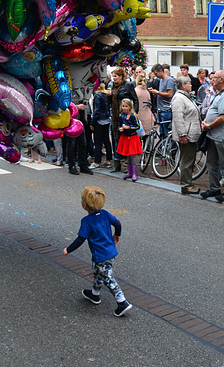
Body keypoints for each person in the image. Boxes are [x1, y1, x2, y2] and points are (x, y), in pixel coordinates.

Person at [63, 186, 132, 317]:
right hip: (110, 252)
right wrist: (117, 234)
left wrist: (68, 249)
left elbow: (80, 239)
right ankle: (95, 294)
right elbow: (117, 223)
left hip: (101, 256)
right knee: (98, 274)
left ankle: (122, 302)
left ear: (84, 205)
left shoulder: (87, 221)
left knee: (108, 278)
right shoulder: (105, 214)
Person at [201, 70, 224, 202]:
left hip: (222, 135)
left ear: (221, 79)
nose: (212, 80)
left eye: (214, 78)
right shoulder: (219, 94)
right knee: (212, 163)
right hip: (213, 135)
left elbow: (223, 117)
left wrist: (209, 126)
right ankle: (214, 187)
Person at [171, 76, 201, 195]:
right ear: (183, 85)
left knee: (189, 159)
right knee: (186, 160)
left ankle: (188, 183)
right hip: (187, 134)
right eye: (189, 83)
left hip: (190, 133)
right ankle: (186, 185)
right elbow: (178, 118)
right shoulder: (179, 98)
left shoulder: (185, 96)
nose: (191, 85)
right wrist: (182, 134)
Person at [108, 67, 138, 173]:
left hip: (126, 117)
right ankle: (117, 164)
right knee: (116, 139)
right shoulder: (111, 85)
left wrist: (134, 114)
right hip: (115, 117)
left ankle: (127, 165)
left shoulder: (128, 85)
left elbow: (135, 98)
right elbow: (109, 101)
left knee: (127, 140)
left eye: (115, 76)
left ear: (121, 76)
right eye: (113, 76)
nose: (114, 78)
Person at [116, 98, 142, 182]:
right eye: (123, 106)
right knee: (128, 155)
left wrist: (129, 127)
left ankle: (134, 173)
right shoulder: (121, 116)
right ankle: (129, 172)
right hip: (125, 137)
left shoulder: (133, 115)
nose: (124, 108)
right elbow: (119, 124)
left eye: (126, 106)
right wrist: (120, 128)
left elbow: (137, 126)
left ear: (130, 107)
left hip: (132, 137)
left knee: (133, 155)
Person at [149, 64, 176, 138]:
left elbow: (170, 94)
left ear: (161, 71)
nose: (155, 75)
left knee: (165, 132)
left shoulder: (169, 80)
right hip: (160, 109)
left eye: (156, 73)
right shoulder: (161, 80)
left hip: (166, 109)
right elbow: (163, 93)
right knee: (162, 132)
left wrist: (157, 92)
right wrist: (156, 94)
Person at [90, 83, 113, 169]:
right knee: (106, 140)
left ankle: (97, 161)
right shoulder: (105, 95)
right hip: (106, 119)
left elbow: (96, 110)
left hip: (99, 120)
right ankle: (108, 159)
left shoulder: (97, 95)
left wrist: (92, 123)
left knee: (97, 141)